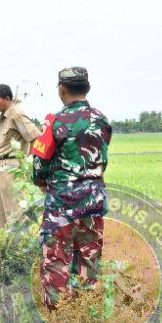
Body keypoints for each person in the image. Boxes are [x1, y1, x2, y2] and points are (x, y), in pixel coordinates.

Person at [33, 67, 112, 310]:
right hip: (93, 199)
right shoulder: (103, 120)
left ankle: (58, 316)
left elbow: (39, 165)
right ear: (87, 89)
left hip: (62, 203)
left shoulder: (54, 121)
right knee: (88, 257)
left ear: (62, 90)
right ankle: (85, 312)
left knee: (56, 257)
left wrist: (43, 182)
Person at [0, 84, 42, 228]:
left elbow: (36, 138)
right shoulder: (4, 117)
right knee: (2, 214)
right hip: (0, 166)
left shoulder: (16, 114)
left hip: (11, 167)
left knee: (15, 212)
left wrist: (26, 162)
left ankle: (19, 248)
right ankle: (6, 247)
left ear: (7, 98)